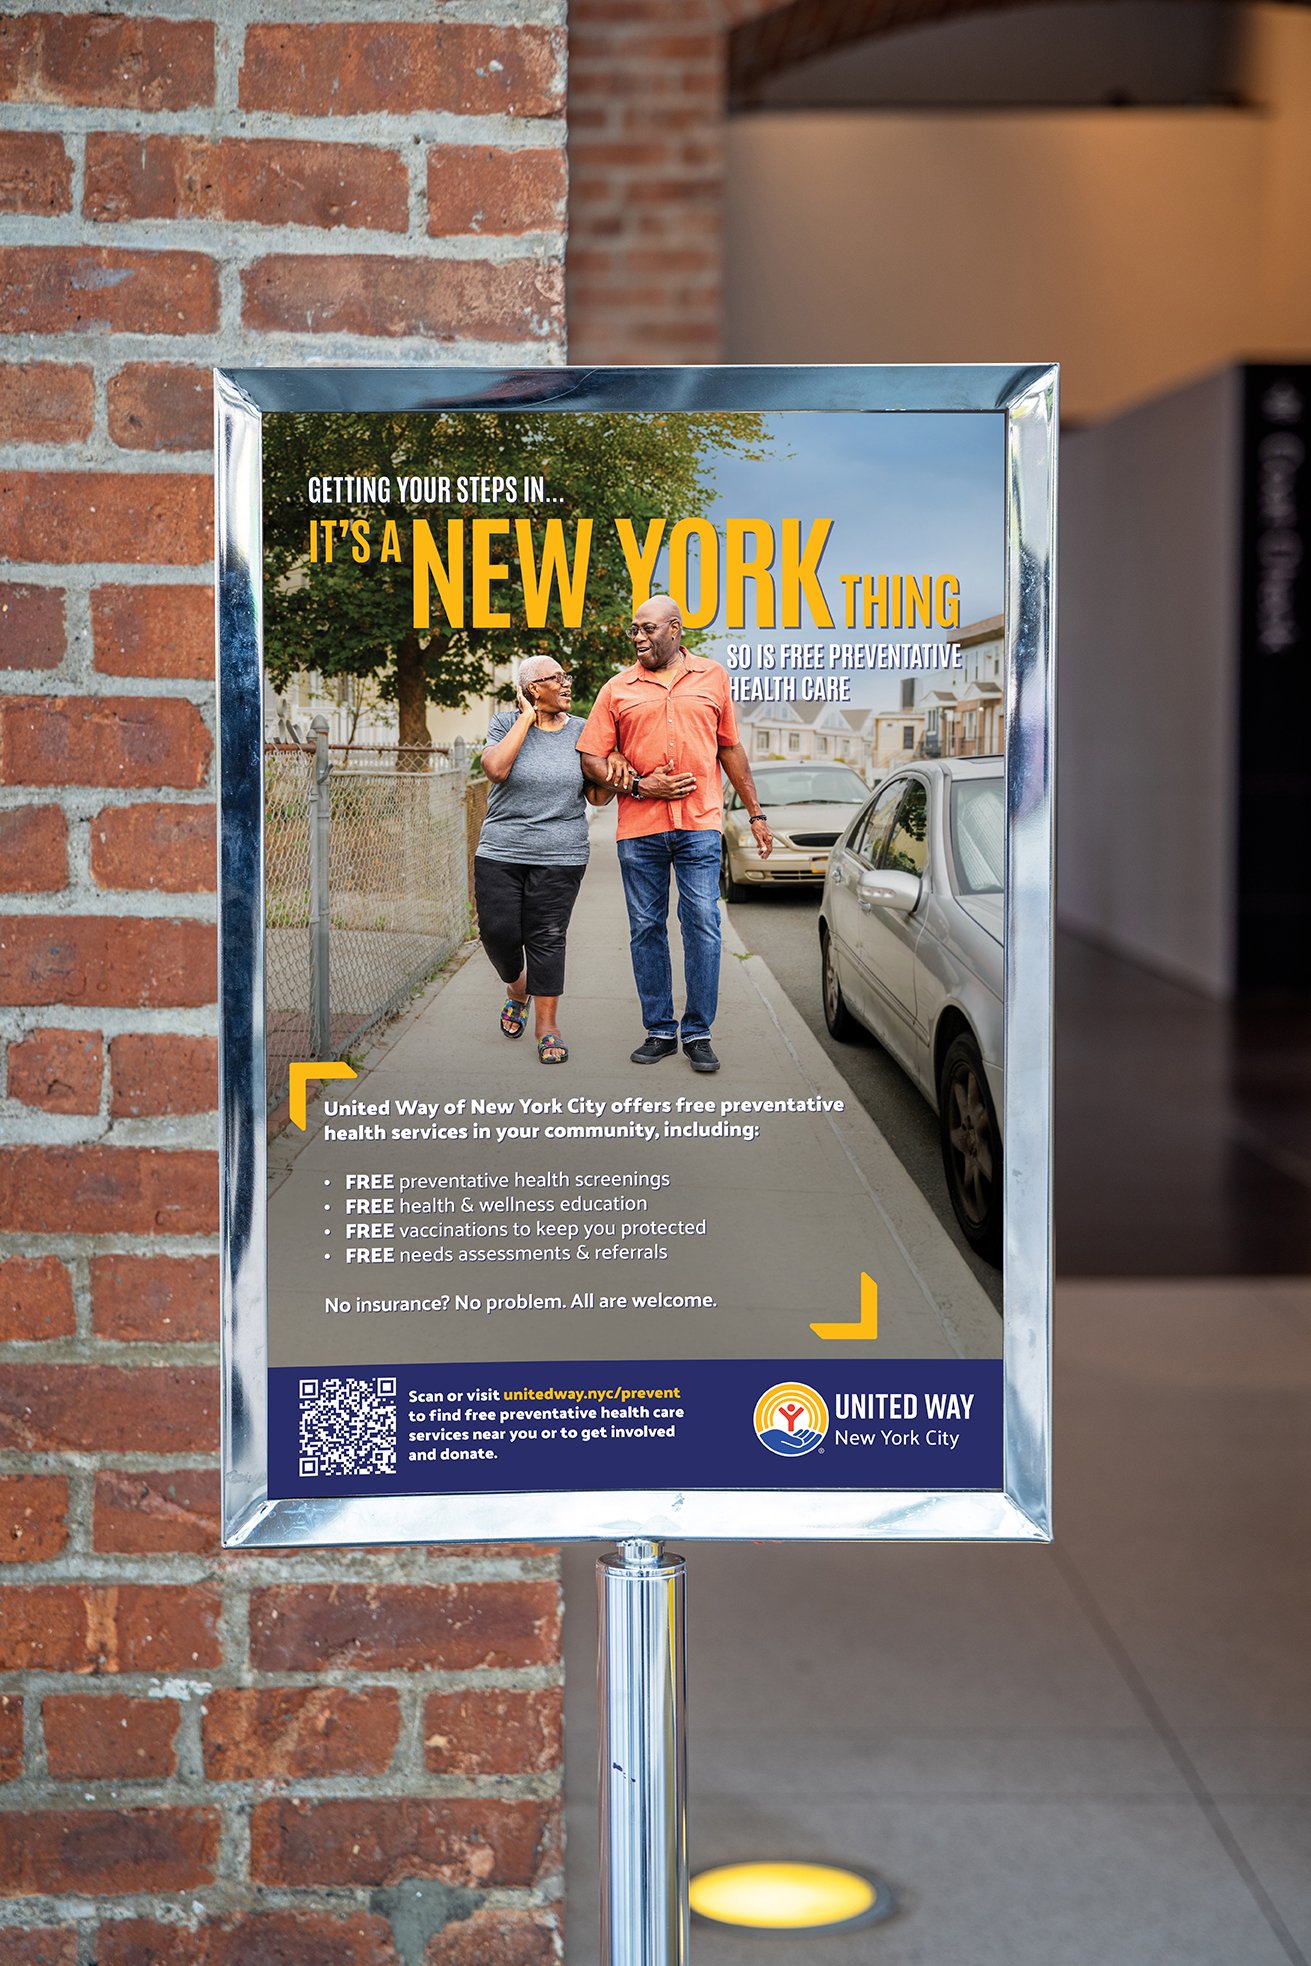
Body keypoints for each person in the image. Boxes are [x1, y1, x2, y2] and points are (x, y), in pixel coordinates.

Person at [577, 595, 774, 1074]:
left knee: (703, 924)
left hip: (699, 824)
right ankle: (660, 1030)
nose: (639, 638)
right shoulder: (617, 688)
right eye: (634, 631)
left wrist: (755, 813)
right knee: (646, 928)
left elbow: (729, 749)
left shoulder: (713, 677)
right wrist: (642, 785)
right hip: (639, 829)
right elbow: (591, 758)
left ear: (675, 629)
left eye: (647, 629)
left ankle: (699, 1031)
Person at [474, 654, 610, 1064]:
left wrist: (615, 773)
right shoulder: (503, 724)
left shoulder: (584, 731)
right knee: (496, 933)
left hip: (561, 852)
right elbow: (496, 769)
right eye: (556, 679)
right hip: (501, 849)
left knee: (547, 938)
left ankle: (547, 1027)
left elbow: (596, 796)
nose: (567, 684)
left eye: (566, 676)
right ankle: (518, 988)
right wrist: (526, 718)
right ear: (533, 688)